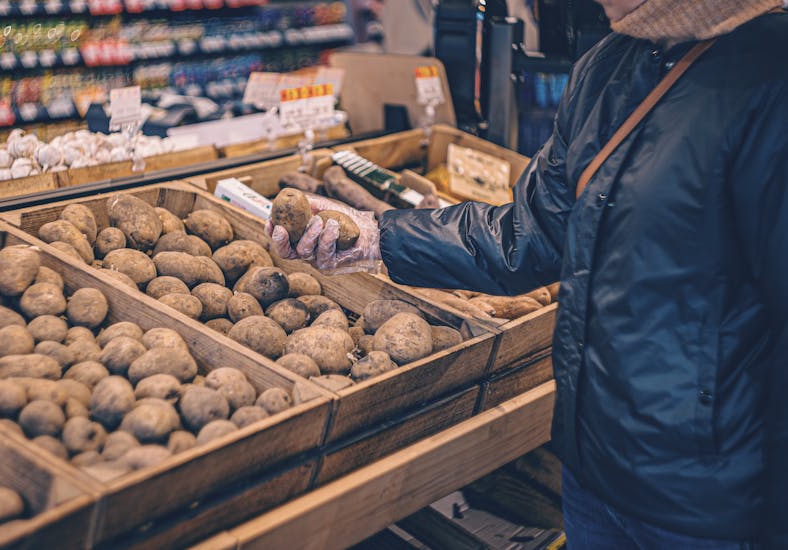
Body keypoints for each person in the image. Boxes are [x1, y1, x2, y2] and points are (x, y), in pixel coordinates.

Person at [268, 0, 788, 547]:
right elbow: (531, 232)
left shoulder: (771, 80)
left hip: (716, 504)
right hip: (592, 469)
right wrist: (377, 235)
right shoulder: (610, 65)